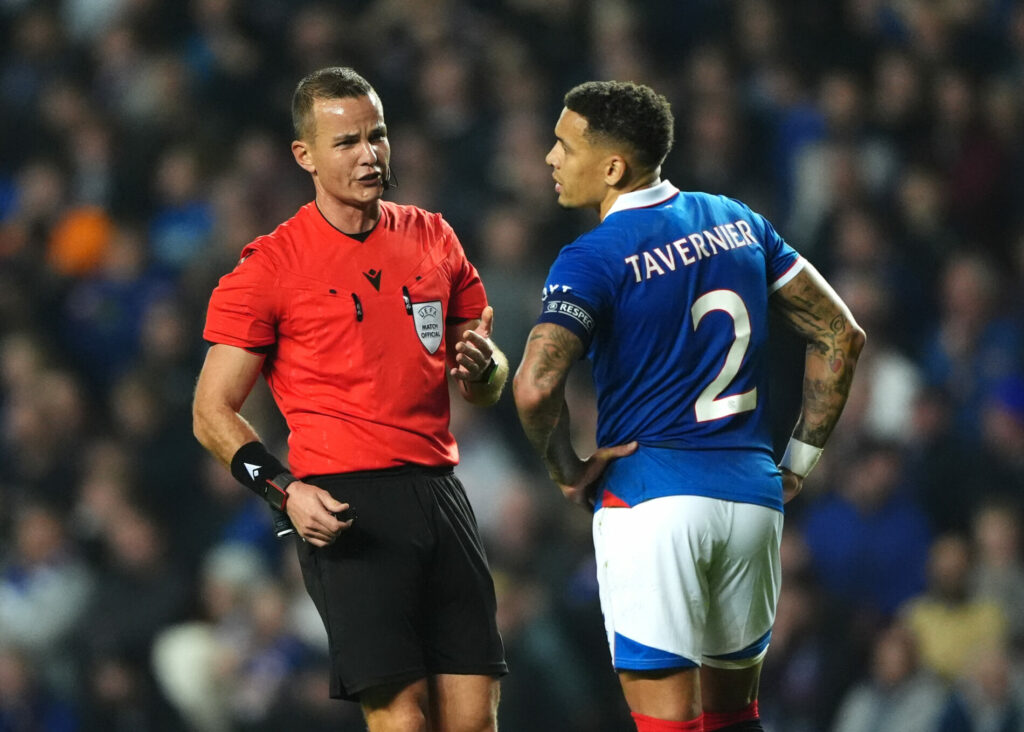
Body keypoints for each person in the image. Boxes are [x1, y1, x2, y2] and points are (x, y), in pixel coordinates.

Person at [513, 81, 865, 732]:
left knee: (668, 724)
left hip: (653, 504)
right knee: (735, 719)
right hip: (751, 501)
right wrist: (798, 463)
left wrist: (567, 469)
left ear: (612, 168)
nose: (549, 158)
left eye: (564, 145)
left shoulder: (592, 256)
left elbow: (535, 385)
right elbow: (840, 333)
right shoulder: (738, 221)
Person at [192, 66, 508, 732]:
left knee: (475, 721)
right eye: (346, 142)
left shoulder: (433, 236)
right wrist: (284, 491)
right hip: (348, 506)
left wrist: (486, 368)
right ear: (304, 155)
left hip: (441, 492)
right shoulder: (270, 266)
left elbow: (483, 381)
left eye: (378, 135)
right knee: (402, 720)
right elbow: (210, 411)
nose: (370, 154)